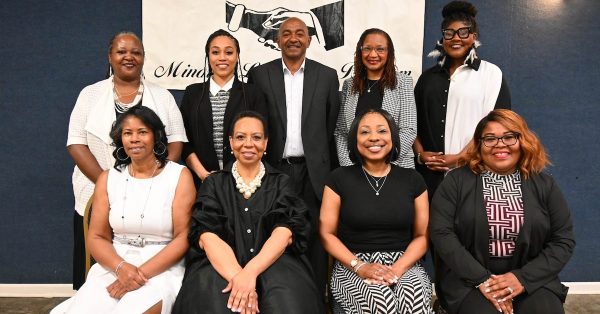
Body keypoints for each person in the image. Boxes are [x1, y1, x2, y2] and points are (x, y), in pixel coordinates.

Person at [67, 31, 187, 289]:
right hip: (94, 187)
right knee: (97, 255)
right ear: (110, 56)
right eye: (121, 51)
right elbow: (76, 143)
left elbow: (176, 139)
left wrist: (160, 175)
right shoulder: (89, 94)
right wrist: (108, 183)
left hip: (153, 187)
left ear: (144, 58)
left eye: (136, 52)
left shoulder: (162, 96)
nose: (129, 57)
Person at [173, 111, 323, 314]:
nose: (248, 144)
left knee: (287, 302)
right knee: (213, 302)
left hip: (274, 260)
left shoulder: (282, 182)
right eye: (241, 137)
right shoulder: (213, 183)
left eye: (257, 137)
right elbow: (207, 235)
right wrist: (239, 278)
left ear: (266, 143)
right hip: (221, 263)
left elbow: (286, 232)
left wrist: (250, 273)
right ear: (231, 141)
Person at [429, 109, 575, 314]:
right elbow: (441, 233)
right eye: (490, 138)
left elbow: (563, 240)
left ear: (522, 140)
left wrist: (522, 278)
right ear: (479, 145)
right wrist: (482, 280)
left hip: (531, 278)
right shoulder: (456, 181)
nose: (500, 144)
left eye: (509, 137)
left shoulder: (544, 184)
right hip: (468, 278)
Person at [54, 105, 195, 313]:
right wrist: (121, 268)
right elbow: (97, 237)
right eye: (127, 133)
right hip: (113, 265)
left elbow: (183, 236)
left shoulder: (179, 176)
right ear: (120, 139)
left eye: (142, 132)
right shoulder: (108, 178)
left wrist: (139, 273)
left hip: (161, 268)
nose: (134, 139)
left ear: (156, 136)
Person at [246, 17, 340, 299]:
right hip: (275, 171)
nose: (293, 38)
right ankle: (275, 299)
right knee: (272, 237)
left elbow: (331, 126)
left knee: (313, 241)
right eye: (286, 33)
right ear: (277, 40)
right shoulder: (261, 75)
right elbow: (256, 124)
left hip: (314, 174)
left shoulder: (327, 75)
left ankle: (313, 300)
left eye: (300, 33)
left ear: (309, 40)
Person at [321, 108, 433, 313]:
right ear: (354, 139)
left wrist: (397, 270)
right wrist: (360, 266)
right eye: (364, 132)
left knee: (412, 299)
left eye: (382, 131)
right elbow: (327, 234)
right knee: (382, 303)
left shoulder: (413, 180)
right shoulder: (338, 179)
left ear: (393, 137)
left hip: (404, 262)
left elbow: (422, 235)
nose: (374, 138)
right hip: (352, 263)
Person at [413, 0, 511, 199]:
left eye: (463, 32)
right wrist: (420, 154)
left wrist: (459, 158)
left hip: (475, 174)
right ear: (443, 38)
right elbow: (411, 122)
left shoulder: (491, 74)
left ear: (473, 37)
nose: (456, 38)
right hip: (430, 178)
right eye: (449, 33)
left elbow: (498, 125)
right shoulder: (427, 78)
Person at [179, 29, 267, 188]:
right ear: (208, 56)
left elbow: (260, 139)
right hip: (201, 182)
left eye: (228, 52)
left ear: (237, 56)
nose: (222, 58)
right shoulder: (193, 93)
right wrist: (203, 174)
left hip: (245, 183)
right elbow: (184, 141)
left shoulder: (253, 93)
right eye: (215, 52)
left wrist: (238, 175)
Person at [335, 28, 417, 169]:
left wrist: (382, 165)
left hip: (396, 168)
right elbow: (341, 132)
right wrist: (349, 167)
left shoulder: (403, 82)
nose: (373, 54)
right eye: (367, 49)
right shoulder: (349, 84)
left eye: (380, 49)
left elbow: (408, 130)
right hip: (356, 171)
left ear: (389, 53)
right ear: (360, 51)